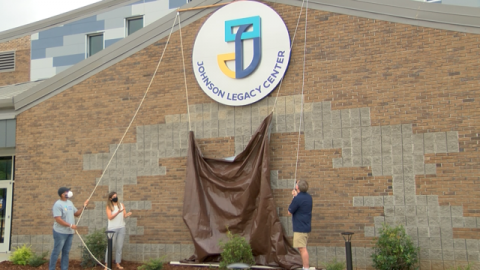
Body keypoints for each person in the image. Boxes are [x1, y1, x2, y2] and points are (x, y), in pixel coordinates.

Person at [50, 187, 89, 270]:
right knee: (56, 252)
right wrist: (71, 225)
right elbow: (58, 219)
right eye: (66, 192)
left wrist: (83, 206)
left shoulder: (70, 203)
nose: (68, 192)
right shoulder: (57, 204)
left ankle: (64, 268)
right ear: (62, 194)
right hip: (60, 232)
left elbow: (76, 213)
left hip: (69, 233)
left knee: (66, 252)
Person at [288, 180, 313, 270]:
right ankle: (305, 267)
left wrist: (294, 197)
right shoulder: (309, 197)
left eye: (296, 184)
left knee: (302, 248)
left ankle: (306, 268)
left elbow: (289, 211)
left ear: (297, 187)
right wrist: (296, 196)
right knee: (302, 247)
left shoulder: (298, 199)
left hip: (300, 227)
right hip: (305, 225)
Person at [105, 191, 132, 270]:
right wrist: (118, 212)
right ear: (110, 198)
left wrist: (127, 214)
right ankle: (107, 264)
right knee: (110, 247)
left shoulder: (121, 205)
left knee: (119, 247)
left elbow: (124, 215)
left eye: (116, 196)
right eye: (113, 196)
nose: (115, 197)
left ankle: (117, 263)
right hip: (112, 229)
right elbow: (110, 217)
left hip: (121, 228)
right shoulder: (109, 207)